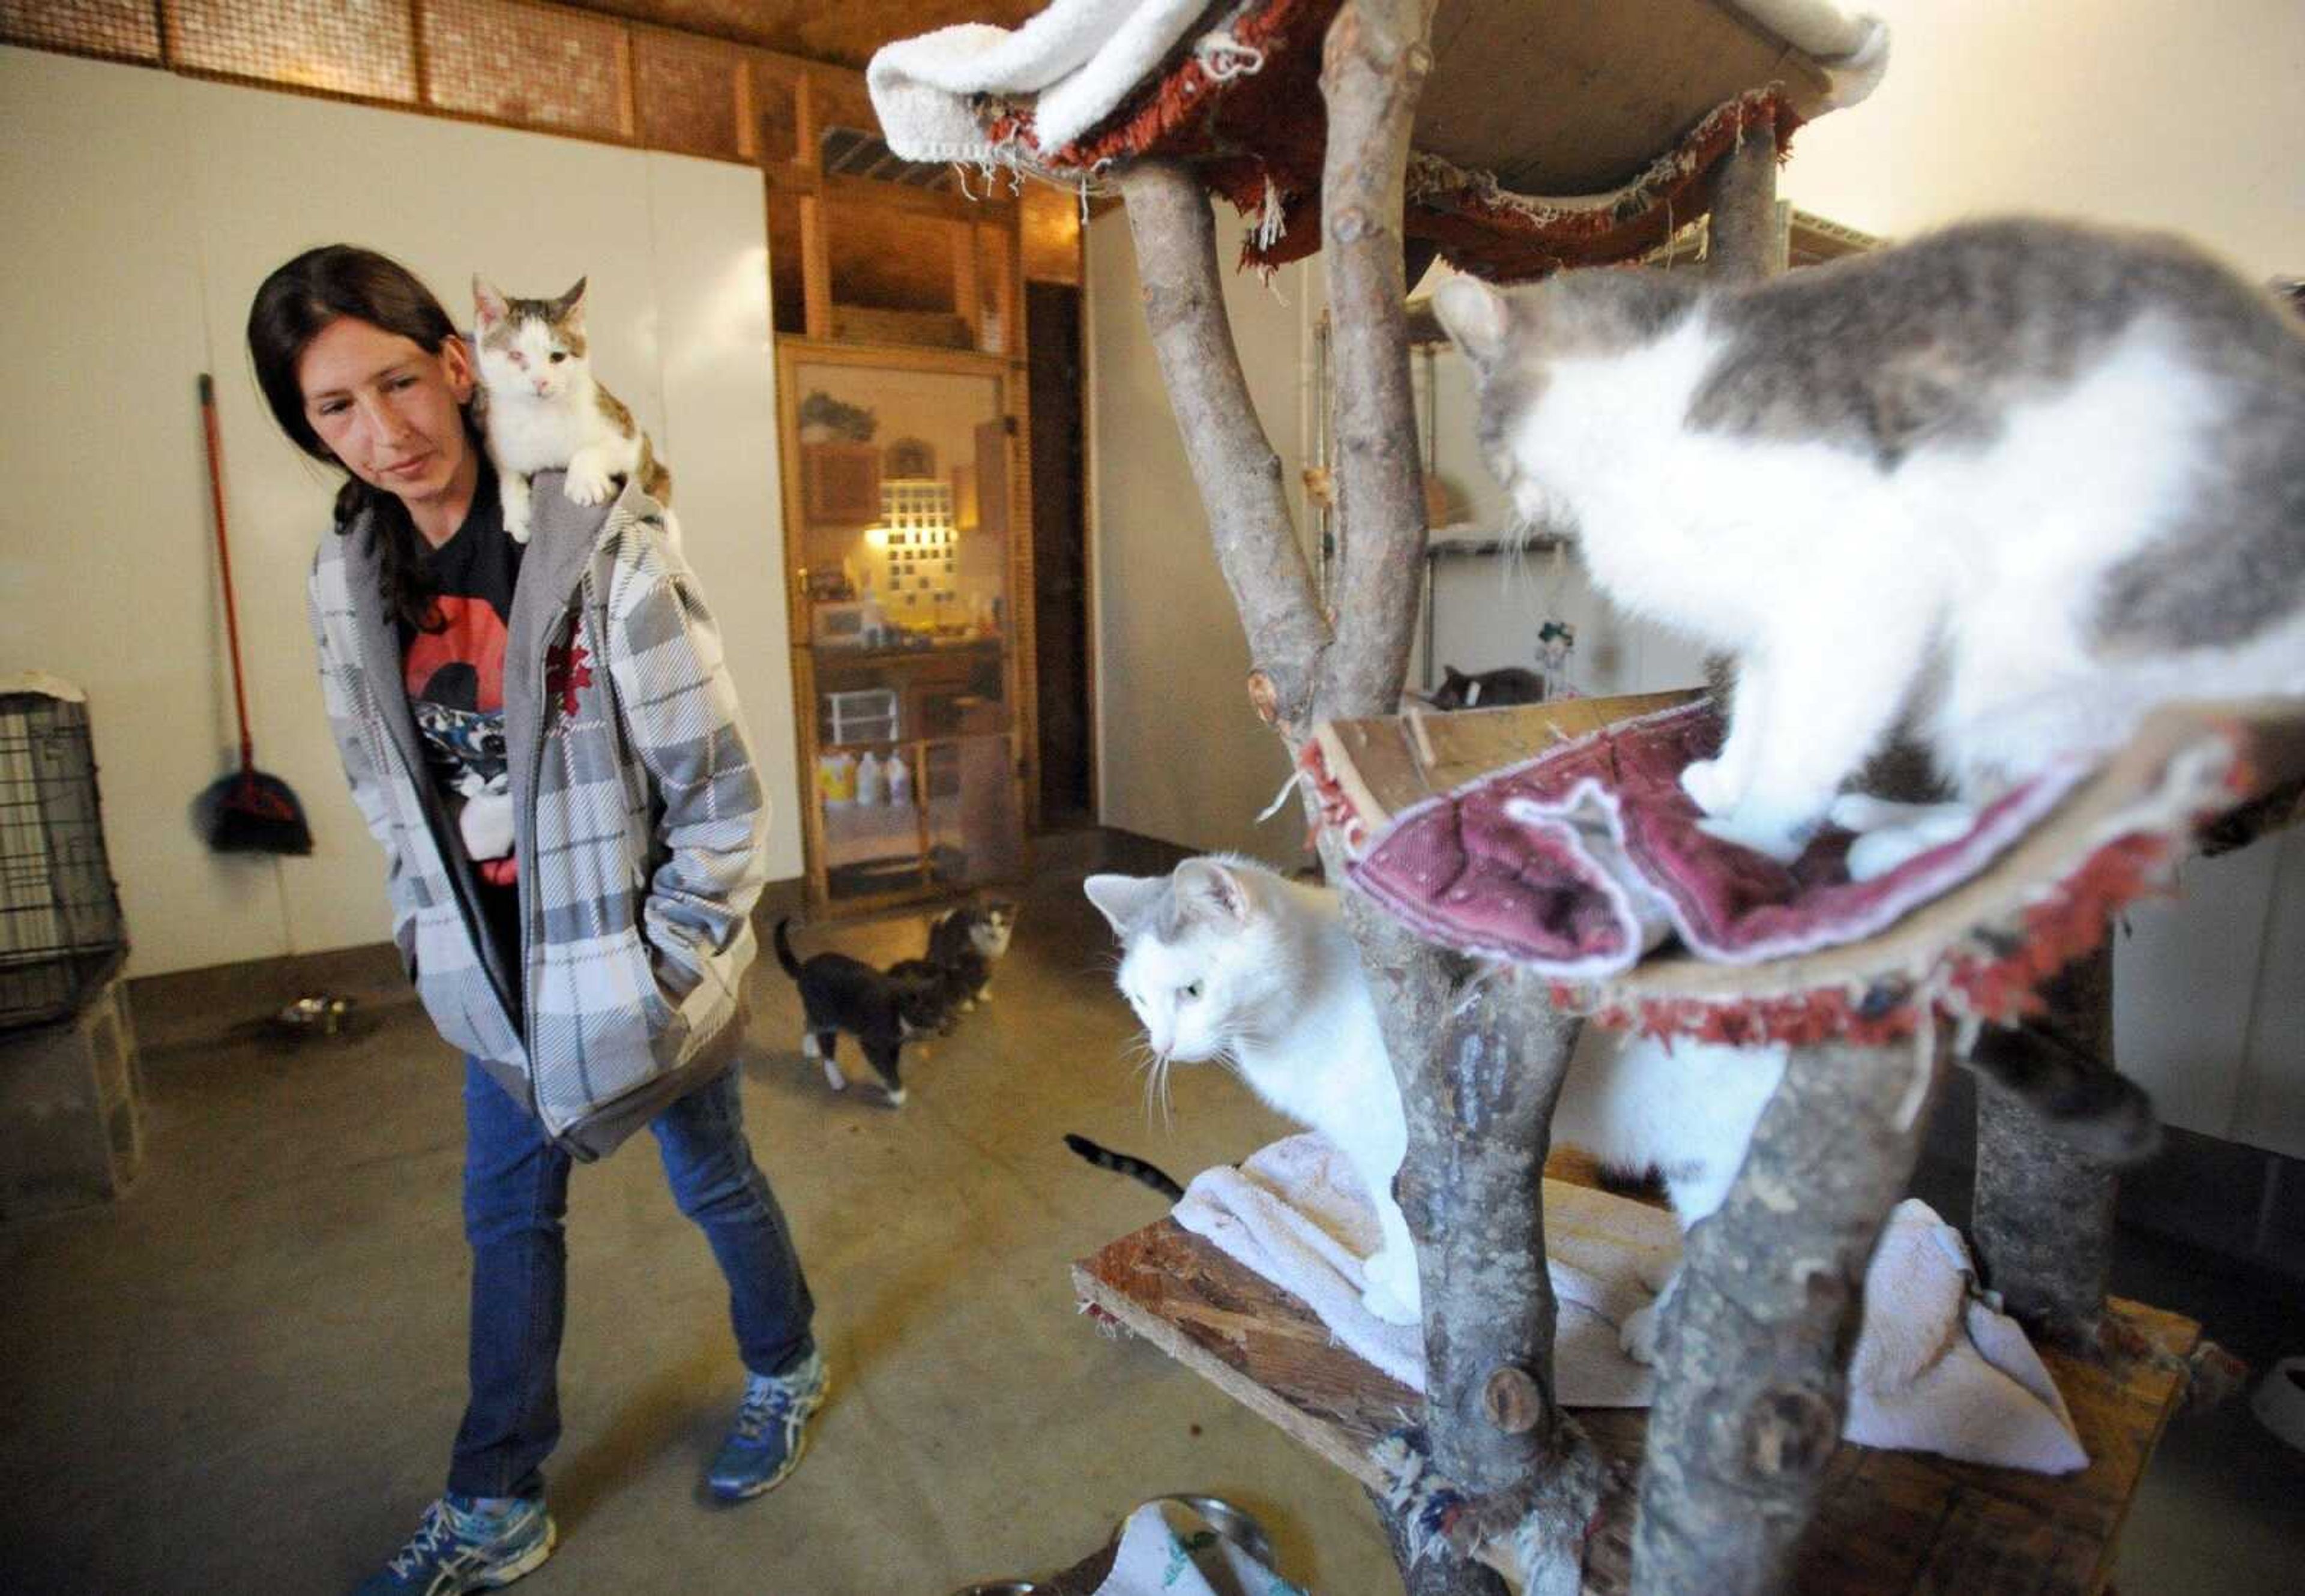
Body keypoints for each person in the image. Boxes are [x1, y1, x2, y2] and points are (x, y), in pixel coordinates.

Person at [247, 245, 822, 1594]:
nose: (382, 431)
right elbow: (382, 780)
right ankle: (496, 1499)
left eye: (399, 381)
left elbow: (723, 801)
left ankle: (786, 1360)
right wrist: (422, 934)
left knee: (713, 1177)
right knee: (505, 1218)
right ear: (308, 427)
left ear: (461, 363)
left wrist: (665, 972)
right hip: (492, 982)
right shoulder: (347, 568)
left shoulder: (603, 550)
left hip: (631, 970)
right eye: (335, 408)